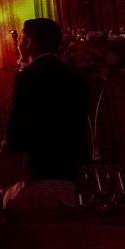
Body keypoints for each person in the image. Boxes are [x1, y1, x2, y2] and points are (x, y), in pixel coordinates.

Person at [5, 18, 92, 190]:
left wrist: (9, 145)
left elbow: (19, 121)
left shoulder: (27, 78)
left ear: (29, 43)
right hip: (75, 162)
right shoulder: (76, 76)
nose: (18, 46)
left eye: (21, 40)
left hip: (41, 164)